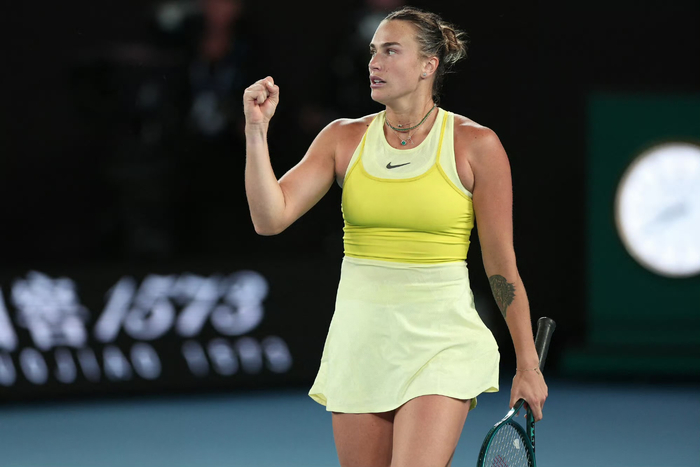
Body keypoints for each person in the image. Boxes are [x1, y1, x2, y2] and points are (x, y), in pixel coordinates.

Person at [243, 6, 548, 467]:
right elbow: (270, 218)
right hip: (361, 341)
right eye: (372, 52)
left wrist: (527, 364)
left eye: (390, 51)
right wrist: (256, 131)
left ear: (428, 65)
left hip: (440, 342)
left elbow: (501, 265)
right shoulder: (342, 139)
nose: (374, 63)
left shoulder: (476, 145)